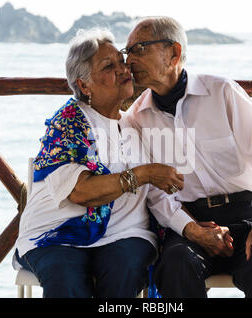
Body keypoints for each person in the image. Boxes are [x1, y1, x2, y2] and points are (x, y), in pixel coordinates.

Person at [123, 16, 252, 298]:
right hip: (192, 220)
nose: (129, 61)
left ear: (174, 53)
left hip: (247, 214)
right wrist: (190, 229)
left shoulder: (222, 92)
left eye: (139, 49)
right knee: (176, 266)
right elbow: (152, 191)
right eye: (127, 52)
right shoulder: (136, 119)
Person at [12, 28, 187, 298]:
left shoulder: (136, 121)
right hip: (57, 232)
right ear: (84, 85)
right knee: (64, 275)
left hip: (126, 232)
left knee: (125, 268)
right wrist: (143, 174)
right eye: (108, 66)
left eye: (121, 60)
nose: (123, 69)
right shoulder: (69, 121)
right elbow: (80, 192)